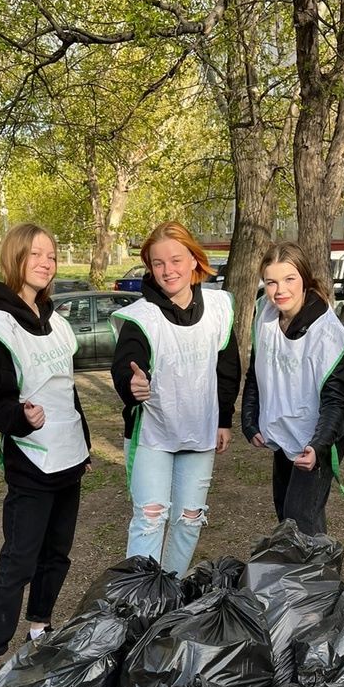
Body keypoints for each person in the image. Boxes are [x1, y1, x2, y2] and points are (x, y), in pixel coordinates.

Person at [0, 223, 92, 687]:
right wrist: (22, 417)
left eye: (52, 255)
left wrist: (83, 443)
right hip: (31, 461)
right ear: (15, 257)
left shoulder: (54, 319)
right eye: (36, 254)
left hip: (68, 456)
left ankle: (40, 628)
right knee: (18, 561)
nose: (46, 262)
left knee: (57, 554)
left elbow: (67, 390)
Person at [110, 221, 240, 576]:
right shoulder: (141, 317)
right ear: (150, 267)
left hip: (199, 430)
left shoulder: (218, 307)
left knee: (190, 518)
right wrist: (132, 386)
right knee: (151, 516)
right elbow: (126, 366)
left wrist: (224, 419)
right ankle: (139, 600)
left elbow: (227, 368)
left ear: (194, 260)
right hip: (153, 432)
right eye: (158, 263)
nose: (168, 271)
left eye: (176, 260)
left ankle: (170, 590)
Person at [241, 241, 344, 536]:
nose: (279, 290)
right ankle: (302, 577)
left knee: (301, 517)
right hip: (286, 427)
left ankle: (318, 581)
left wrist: (318, 446)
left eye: (289, 279)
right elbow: (256, 373)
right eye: (271, 281)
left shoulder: (325, 332)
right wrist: (249, 421)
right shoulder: (266, 316)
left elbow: (336, 401)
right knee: (286, 514)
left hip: (320, 434)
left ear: (304, 279)